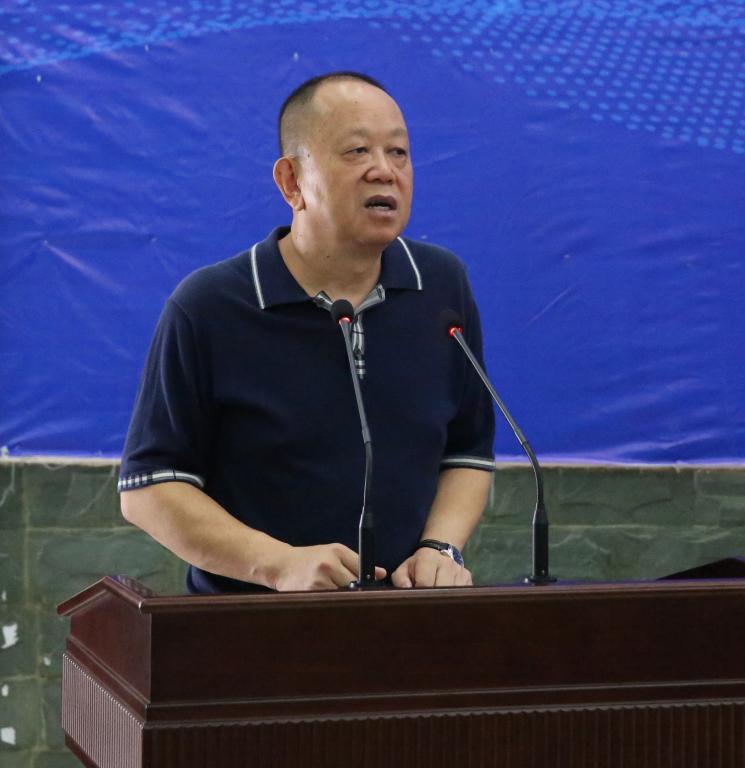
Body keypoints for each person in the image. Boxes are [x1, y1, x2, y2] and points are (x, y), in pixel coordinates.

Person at [119, 71, 495, 593]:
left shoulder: (441, 287)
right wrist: (278, 564)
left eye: (399, 153)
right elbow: (149, 489)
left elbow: (468, 453)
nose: (384, 171)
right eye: (357, 151)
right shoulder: (209, 306)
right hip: (249, 623)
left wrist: (441, 547)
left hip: (407, 618)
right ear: (291, 181)